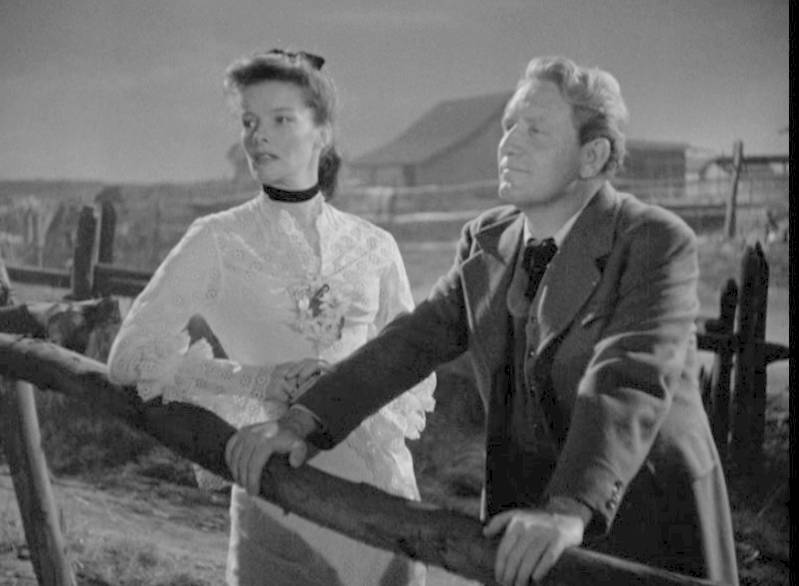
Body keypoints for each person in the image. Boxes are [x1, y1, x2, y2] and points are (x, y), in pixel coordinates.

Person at [226, 55, 740, 586]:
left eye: (535, 130)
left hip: (640, 516)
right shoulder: (488, 242)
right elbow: (408, 344)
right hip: (526, 519)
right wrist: (302, 423)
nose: (509, 144)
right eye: (509, 126)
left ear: (592, 156)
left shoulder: (653, 241)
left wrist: (568, 508)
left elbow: (625, 377)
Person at [107, 49, 435, 586]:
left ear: (322, 132)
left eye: (281, 119)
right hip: (277, 494)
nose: (258, 136)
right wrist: (258, 382)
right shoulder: (216, 240)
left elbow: (411, 368)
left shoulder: (375, 246)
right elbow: (129, 356)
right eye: (249, 121)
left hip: (383, 500)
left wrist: (342, 384)